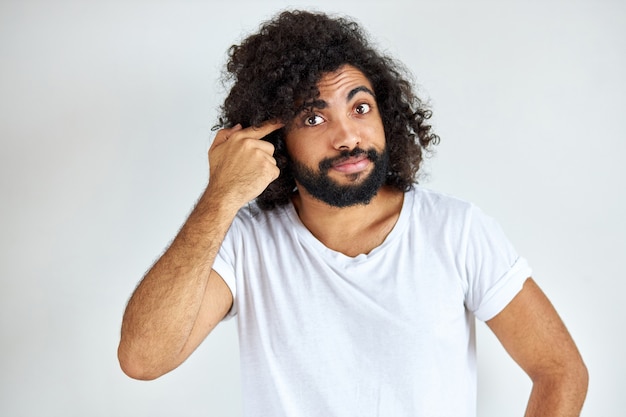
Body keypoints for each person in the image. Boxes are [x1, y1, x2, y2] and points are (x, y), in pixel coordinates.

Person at [117, 9, 588, 417]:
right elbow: (142, 359)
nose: (347, 136)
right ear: (273, 141)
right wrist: (220, 196)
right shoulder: (247, 245)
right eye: (313, 118)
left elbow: (559, 369)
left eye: (360, 107)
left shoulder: (455, 231)